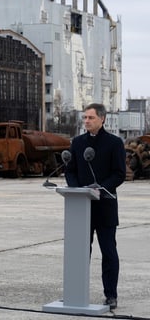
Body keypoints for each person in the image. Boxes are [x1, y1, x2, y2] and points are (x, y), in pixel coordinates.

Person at [64, 103, 126, 310]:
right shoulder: (78, 143)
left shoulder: (114, 143)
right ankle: (76, 292)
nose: (86, 121)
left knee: (108, 251)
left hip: (105, 205)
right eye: (85, 118)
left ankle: (111, 295)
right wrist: (76, 190)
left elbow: (119, 173)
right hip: (81, 206)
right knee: (81, 252)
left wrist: (100, 188)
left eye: (90, 118)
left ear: (102, 119)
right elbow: (70, 170)